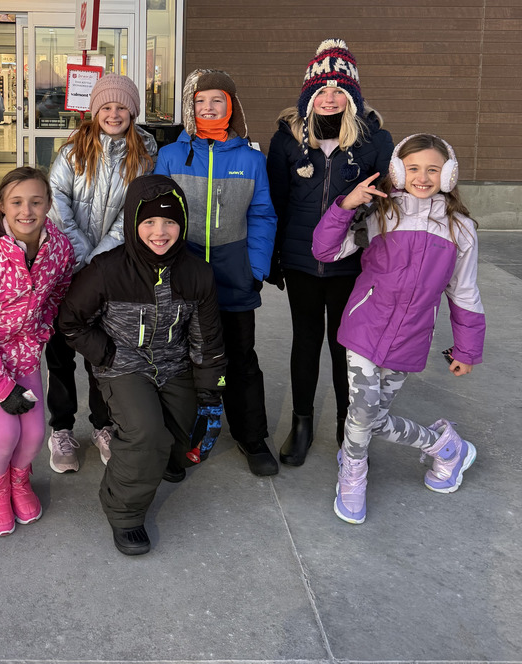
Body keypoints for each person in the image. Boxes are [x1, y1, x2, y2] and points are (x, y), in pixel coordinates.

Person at [312, 134, 485, 525]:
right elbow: (325, 250)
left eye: (433, 169)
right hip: (365, 328)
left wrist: (467, 349)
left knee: (371, 420)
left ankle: (446, 446)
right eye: (413, 168)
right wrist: (345, 205)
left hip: (412, 337)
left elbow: (465, 292)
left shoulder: (461, 230)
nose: (422, 177)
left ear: (449, 174)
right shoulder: (379, 214)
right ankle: (354, 474)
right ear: (397, 170)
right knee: (361, 412)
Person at [58, 174, 227, 556]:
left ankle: (165, 456)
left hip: (172, 363)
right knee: (146, 433)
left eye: (169, 221)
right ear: (133, 223)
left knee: (187, 434)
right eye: (149, 221)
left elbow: (207, 336)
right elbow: (69, 321)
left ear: (182, 223)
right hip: (124, 365)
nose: (160, 231)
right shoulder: (106, 270)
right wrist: (105, 353)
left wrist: (210, 385)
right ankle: (125, 512)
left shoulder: (196, 272)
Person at [266, 38, 393, 467]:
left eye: (339, 90)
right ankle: (301, 423)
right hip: (302, 259)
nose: (330, 98)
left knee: (345, 347)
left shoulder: (374, 140)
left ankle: (346, 424)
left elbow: (385, 205)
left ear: (352, 96)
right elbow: (276, 202)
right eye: (322, 90)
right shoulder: (287, 140)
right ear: (309, 94)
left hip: (351, 265)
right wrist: (273, 258)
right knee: (305, 342)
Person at [155, 69, 278, 476]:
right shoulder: (172, 155)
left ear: (231, 106)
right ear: (190, 108)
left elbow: (262, 215)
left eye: (216, 101)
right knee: (181, 361)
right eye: (200, 102)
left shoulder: (250, 159)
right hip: (182, 275)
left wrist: (255, 267)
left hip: (234, 275)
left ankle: (251, 435)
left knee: (241, 359)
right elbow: (156, 213)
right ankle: (180, 441)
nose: (208, 108)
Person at [0, 167, 75, 537]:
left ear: (49, 205)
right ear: (1, 207)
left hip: (24, 354)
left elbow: (58, 292)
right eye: (17, 202)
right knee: (6, 430)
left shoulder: (59, 249)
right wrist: (1, 387)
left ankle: (18, 480)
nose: (27, 211)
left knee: (35, 434)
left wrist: (42, 330)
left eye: (36, 202)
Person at [45, 73, 157, 473]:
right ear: (94, 111)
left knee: (101, 353)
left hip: (111, 269)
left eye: (121, 107)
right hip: (64, 267)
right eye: (106, 107)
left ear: (132, 111)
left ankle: (103, 424)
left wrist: (99, 260)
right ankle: (60, 428)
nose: (113, 114)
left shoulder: (144, 153)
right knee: (59, 355)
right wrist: (81, 254)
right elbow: (56, 201)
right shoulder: (73, 150)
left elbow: (135, 210)